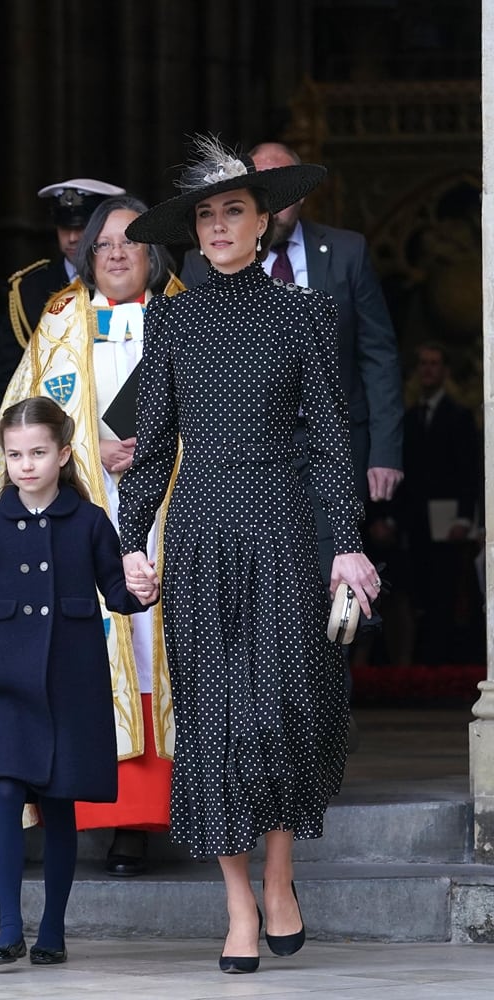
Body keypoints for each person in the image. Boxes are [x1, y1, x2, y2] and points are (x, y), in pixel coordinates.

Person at [117, 135, 379, 974]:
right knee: (215, 726)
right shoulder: (172, 318)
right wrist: (130, 542)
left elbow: (335, 444)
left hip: (284, 529)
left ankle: (278, 877)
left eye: (235, 210)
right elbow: (152, 445)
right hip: (198, 532)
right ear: (192, 234)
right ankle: (235, 905)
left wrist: (346, 545)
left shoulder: (304, 312)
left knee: (281, 714)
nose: (221, 225)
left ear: (264, 221)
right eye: (206, 215)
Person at [0, 195, 183, 878]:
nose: (119, 254)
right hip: (83, 509)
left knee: (155, 642)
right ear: (86, 255)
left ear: (156, 253)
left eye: (132, 243)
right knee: (98, 646)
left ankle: (155, 815)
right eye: (104, 245)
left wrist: (161, 446)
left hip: (170, 511)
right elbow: (25, 413)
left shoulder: (184, 315)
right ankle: (102, 816)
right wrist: (83, 451)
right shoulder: (60, 320)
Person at [0, 396, 154, 967]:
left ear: (63, 454)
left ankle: (53, 929)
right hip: (4, 689)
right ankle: (8, 927)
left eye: (38, 452)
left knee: (60, 806)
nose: (26, 465)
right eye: (15, 455)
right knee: (5, 792)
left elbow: (115, 591)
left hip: (70, 688)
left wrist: (142, 587)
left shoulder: (88, 521)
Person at [180, 141, 404, 585]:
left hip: (330, 445)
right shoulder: (202, 264)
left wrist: (385, 450)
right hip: (246, 454)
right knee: (258, 585)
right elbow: (183, 366)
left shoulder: (347, 251)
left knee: (336, 581)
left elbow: (377, 354)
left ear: (297, 195)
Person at [0, 177, 125, 471]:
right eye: (64, 227)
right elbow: (1, 381)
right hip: (50, 451)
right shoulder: (30, 290)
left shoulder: (134, 280)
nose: (72, 238)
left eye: (81, 228)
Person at [398, 341, 482, 662]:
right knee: (416, 594)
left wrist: (464, 519)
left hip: (448, 524)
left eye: (434, 363)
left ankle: (443, 668)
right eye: (423, 363)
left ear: (445, 371)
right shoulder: (409, 418)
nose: (428, 369)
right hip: (416, 523)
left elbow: (468, 473)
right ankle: (422, 669)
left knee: (445, 593)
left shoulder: (458, 417)